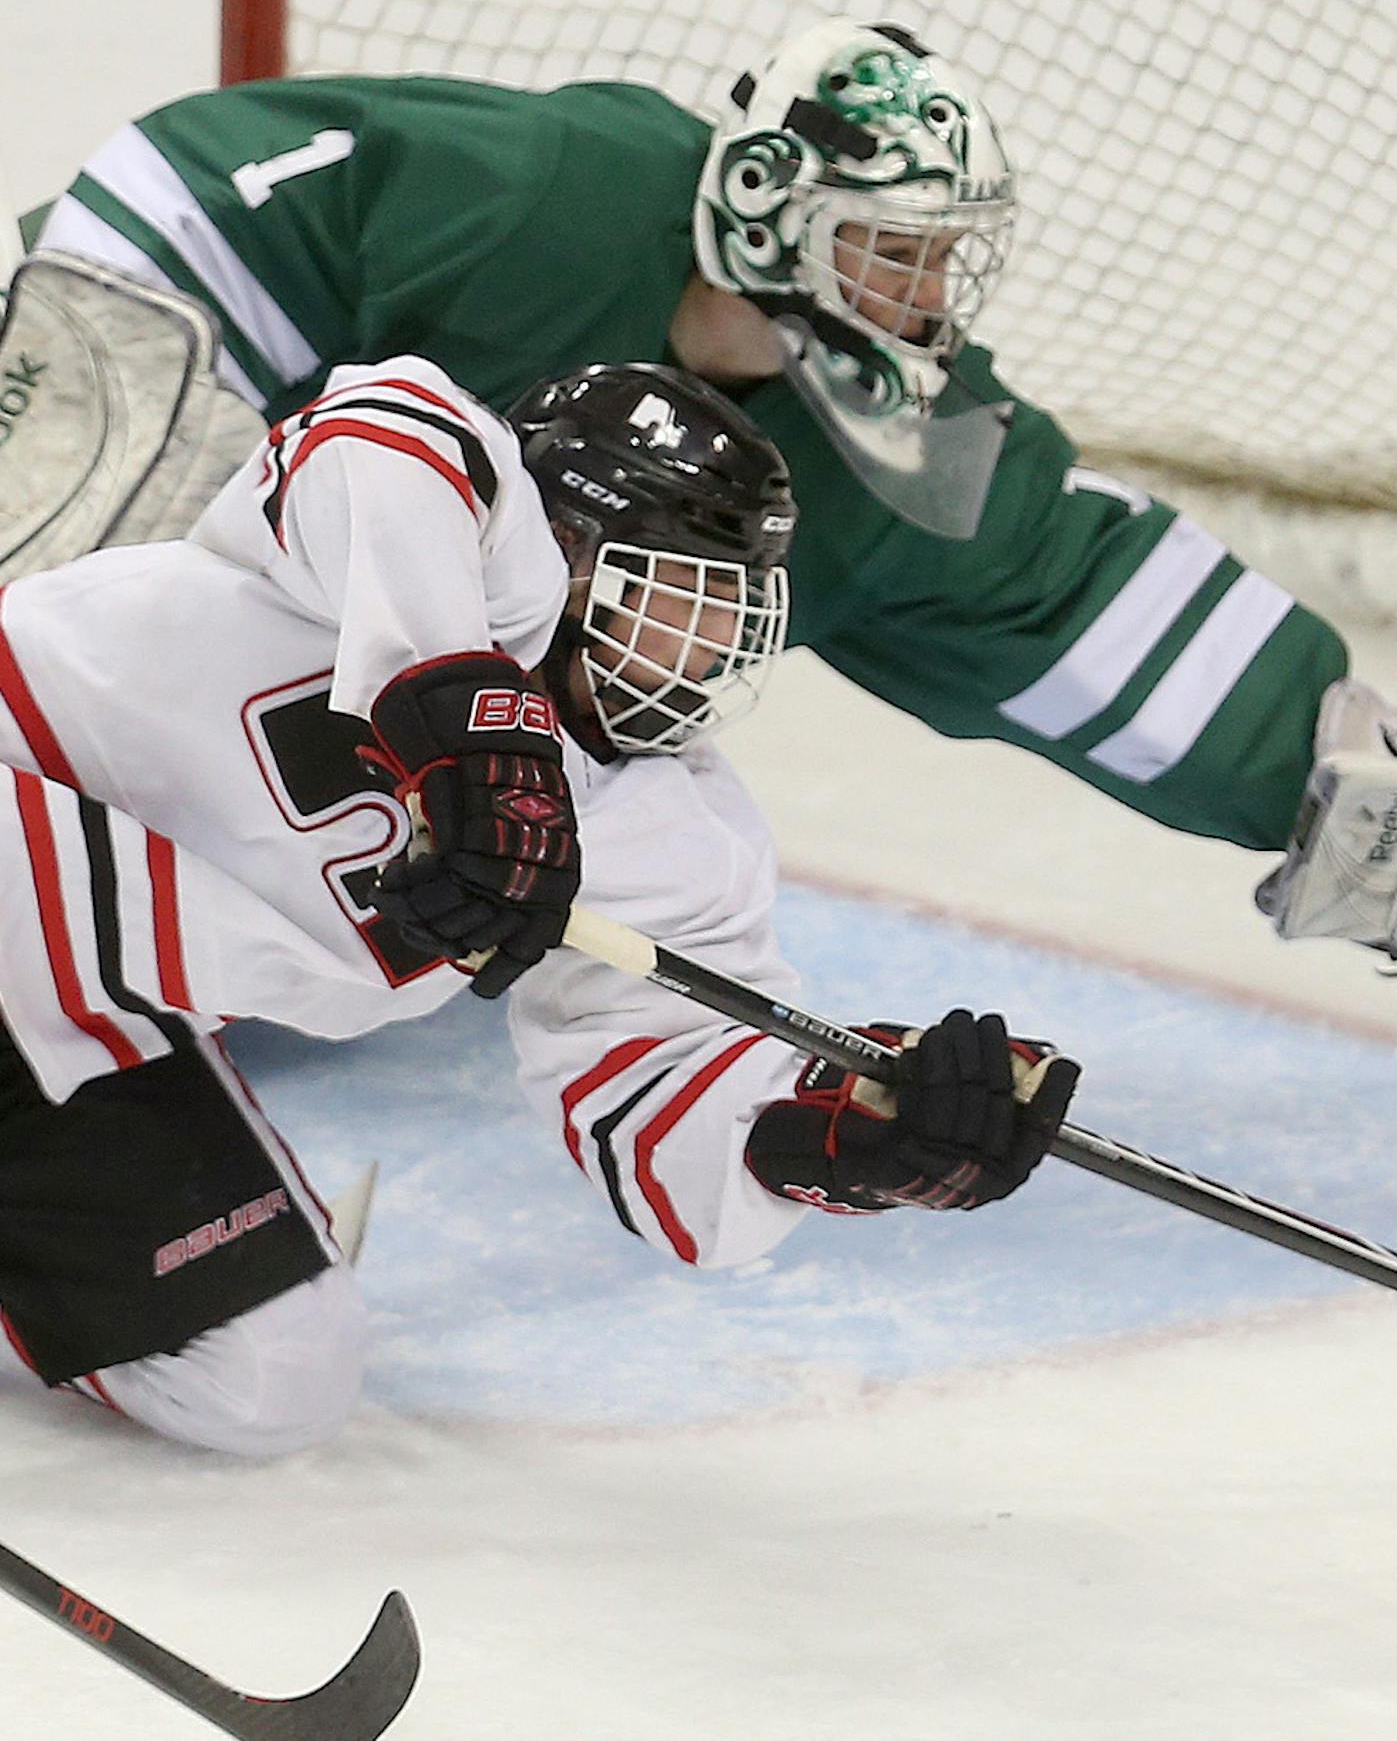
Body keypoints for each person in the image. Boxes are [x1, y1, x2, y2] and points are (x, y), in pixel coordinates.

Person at [6, 18, 1397, 1022]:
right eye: (890, 249)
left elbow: (1071, 591)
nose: (927, 294)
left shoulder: (894, 452)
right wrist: (104, 369)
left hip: (373, 777)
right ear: (764, 209)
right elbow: (216, 181)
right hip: (216, 529)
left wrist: (1345, 769)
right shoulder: (557, 198)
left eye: (943, 257)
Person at [0, 333, 1079, 1458]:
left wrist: (851, 1131)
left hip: (64, 1028)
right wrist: (466, 725)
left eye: (734, 612)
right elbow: (382, 428)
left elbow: (668, 1095)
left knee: (274, 1376)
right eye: (688, 597)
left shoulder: (671, 834)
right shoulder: (447, 544)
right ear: (564, 548)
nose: (711, 648)